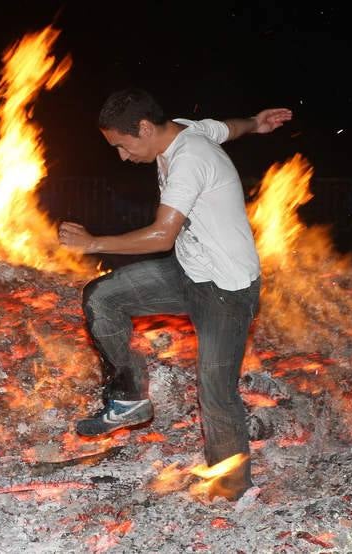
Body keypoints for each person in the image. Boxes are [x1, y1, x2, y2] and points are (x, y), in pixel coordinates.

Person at [58, 88, 291, 500]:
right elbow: (228, 128)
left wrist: (93, 243)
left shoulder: (190, 158)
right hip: (187, 271)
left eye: (123, 146)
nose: (123, 157)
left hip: (226, 289)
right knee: (103, 296)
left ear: (145, 128)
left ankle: (233, 490)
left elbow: (163, 234)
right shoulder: (186, 128)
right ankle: (129, 398)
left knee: (215, 391)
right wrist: (256, 122)